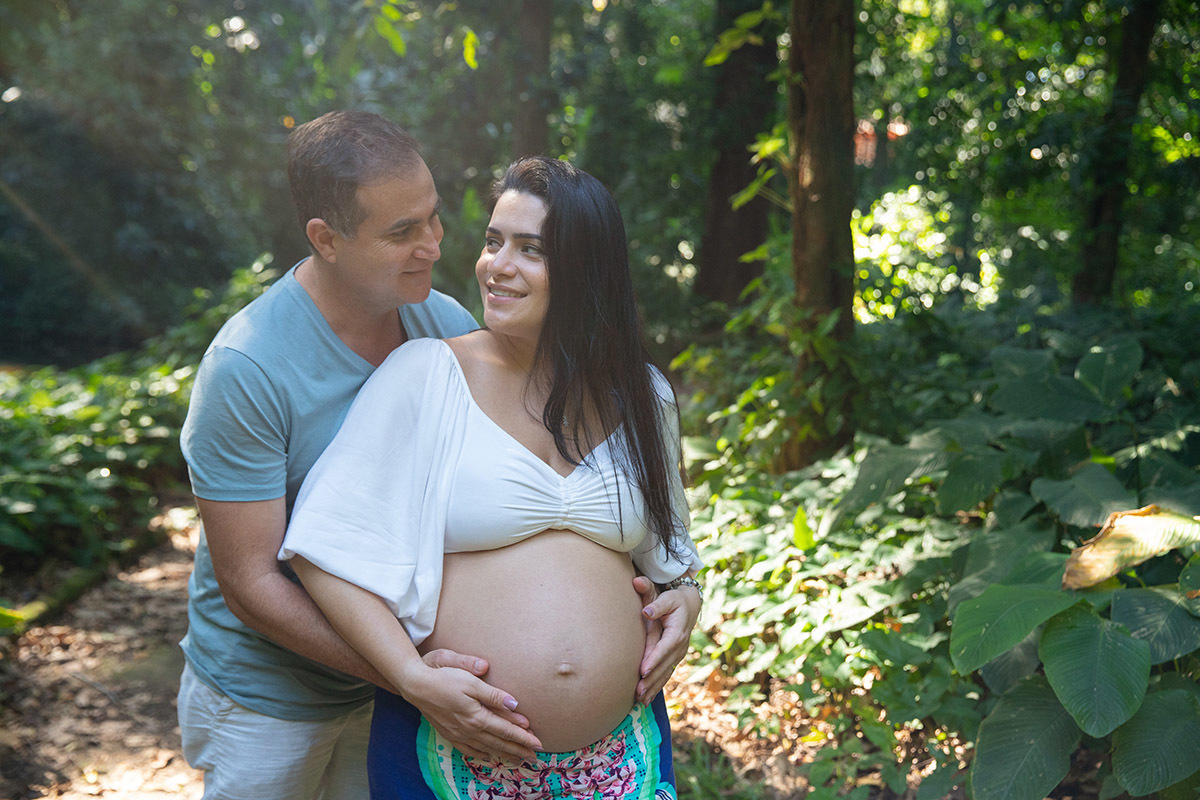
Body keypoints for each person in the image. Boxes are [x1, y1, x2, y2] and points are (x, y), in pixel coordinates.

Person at [279, 155, 705, 800]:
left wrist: (688, 599)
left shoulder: (644, 395)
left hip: (622, 757)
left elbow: (672, 554)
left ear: (587, 268)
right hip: (451, 751)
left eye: (531, 249)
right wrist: (409, 676)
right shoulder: (426, 374)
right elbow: (324, 550)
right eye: (493, 241)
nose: (497, 266)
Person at [176, 110, 533, 800]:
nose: (432, 245)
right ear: (326, 239)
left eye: (432, 218)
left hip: (400, 694)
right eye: (402, 232)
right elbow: (252, 583)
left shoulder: (447, 326)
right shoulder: (247, 368)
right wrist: (406, 671)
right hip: (268, 701)